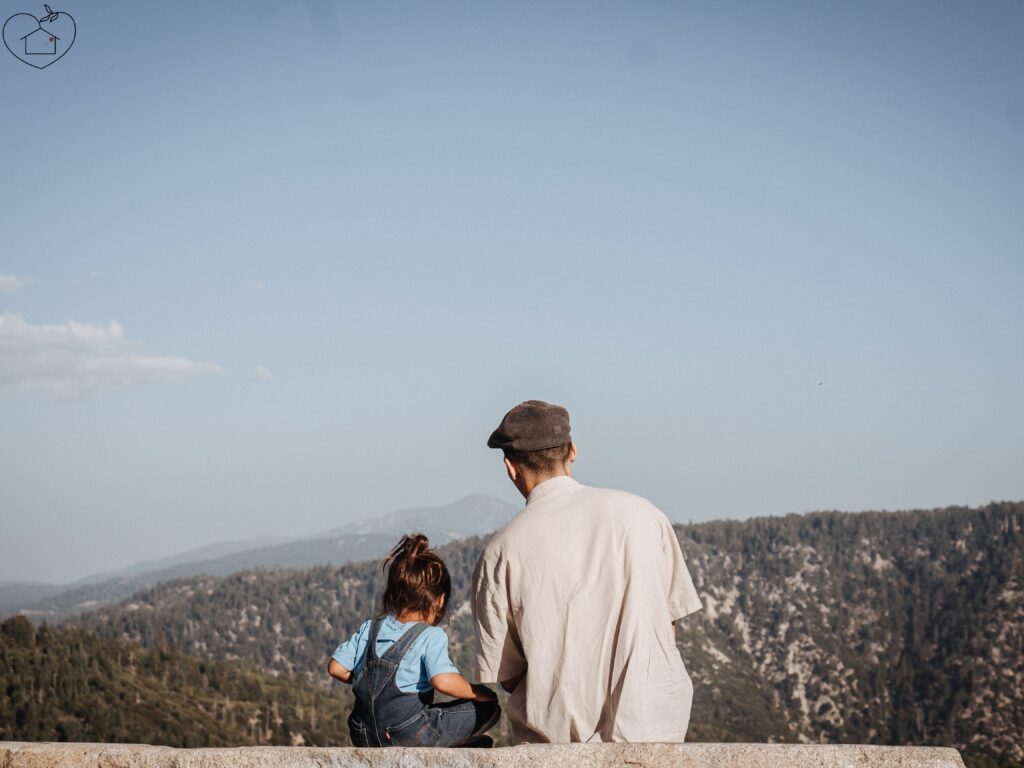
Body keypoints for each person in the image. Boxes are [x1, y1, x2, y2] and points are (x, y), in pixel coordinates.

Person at [472, 400, 703, 744]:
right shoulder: (643, 515)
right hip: (654, 740)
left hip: (557, 750)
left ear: (511, 467)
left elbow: (506, 675)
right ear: (573, 452)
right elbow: (667, 623)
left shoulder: (500, 552)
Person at [328, 534, 500, 747]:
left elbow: (336, 668)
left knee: (432, 714)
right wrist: (478, 693)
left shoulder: (370, 628)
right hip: (410, 735)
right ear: (439, 600)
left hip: (363, 734)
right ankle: (450, 749)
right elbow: (443, 681)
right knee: (489, 708)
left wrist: (366, 677)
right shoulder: (430, 635)